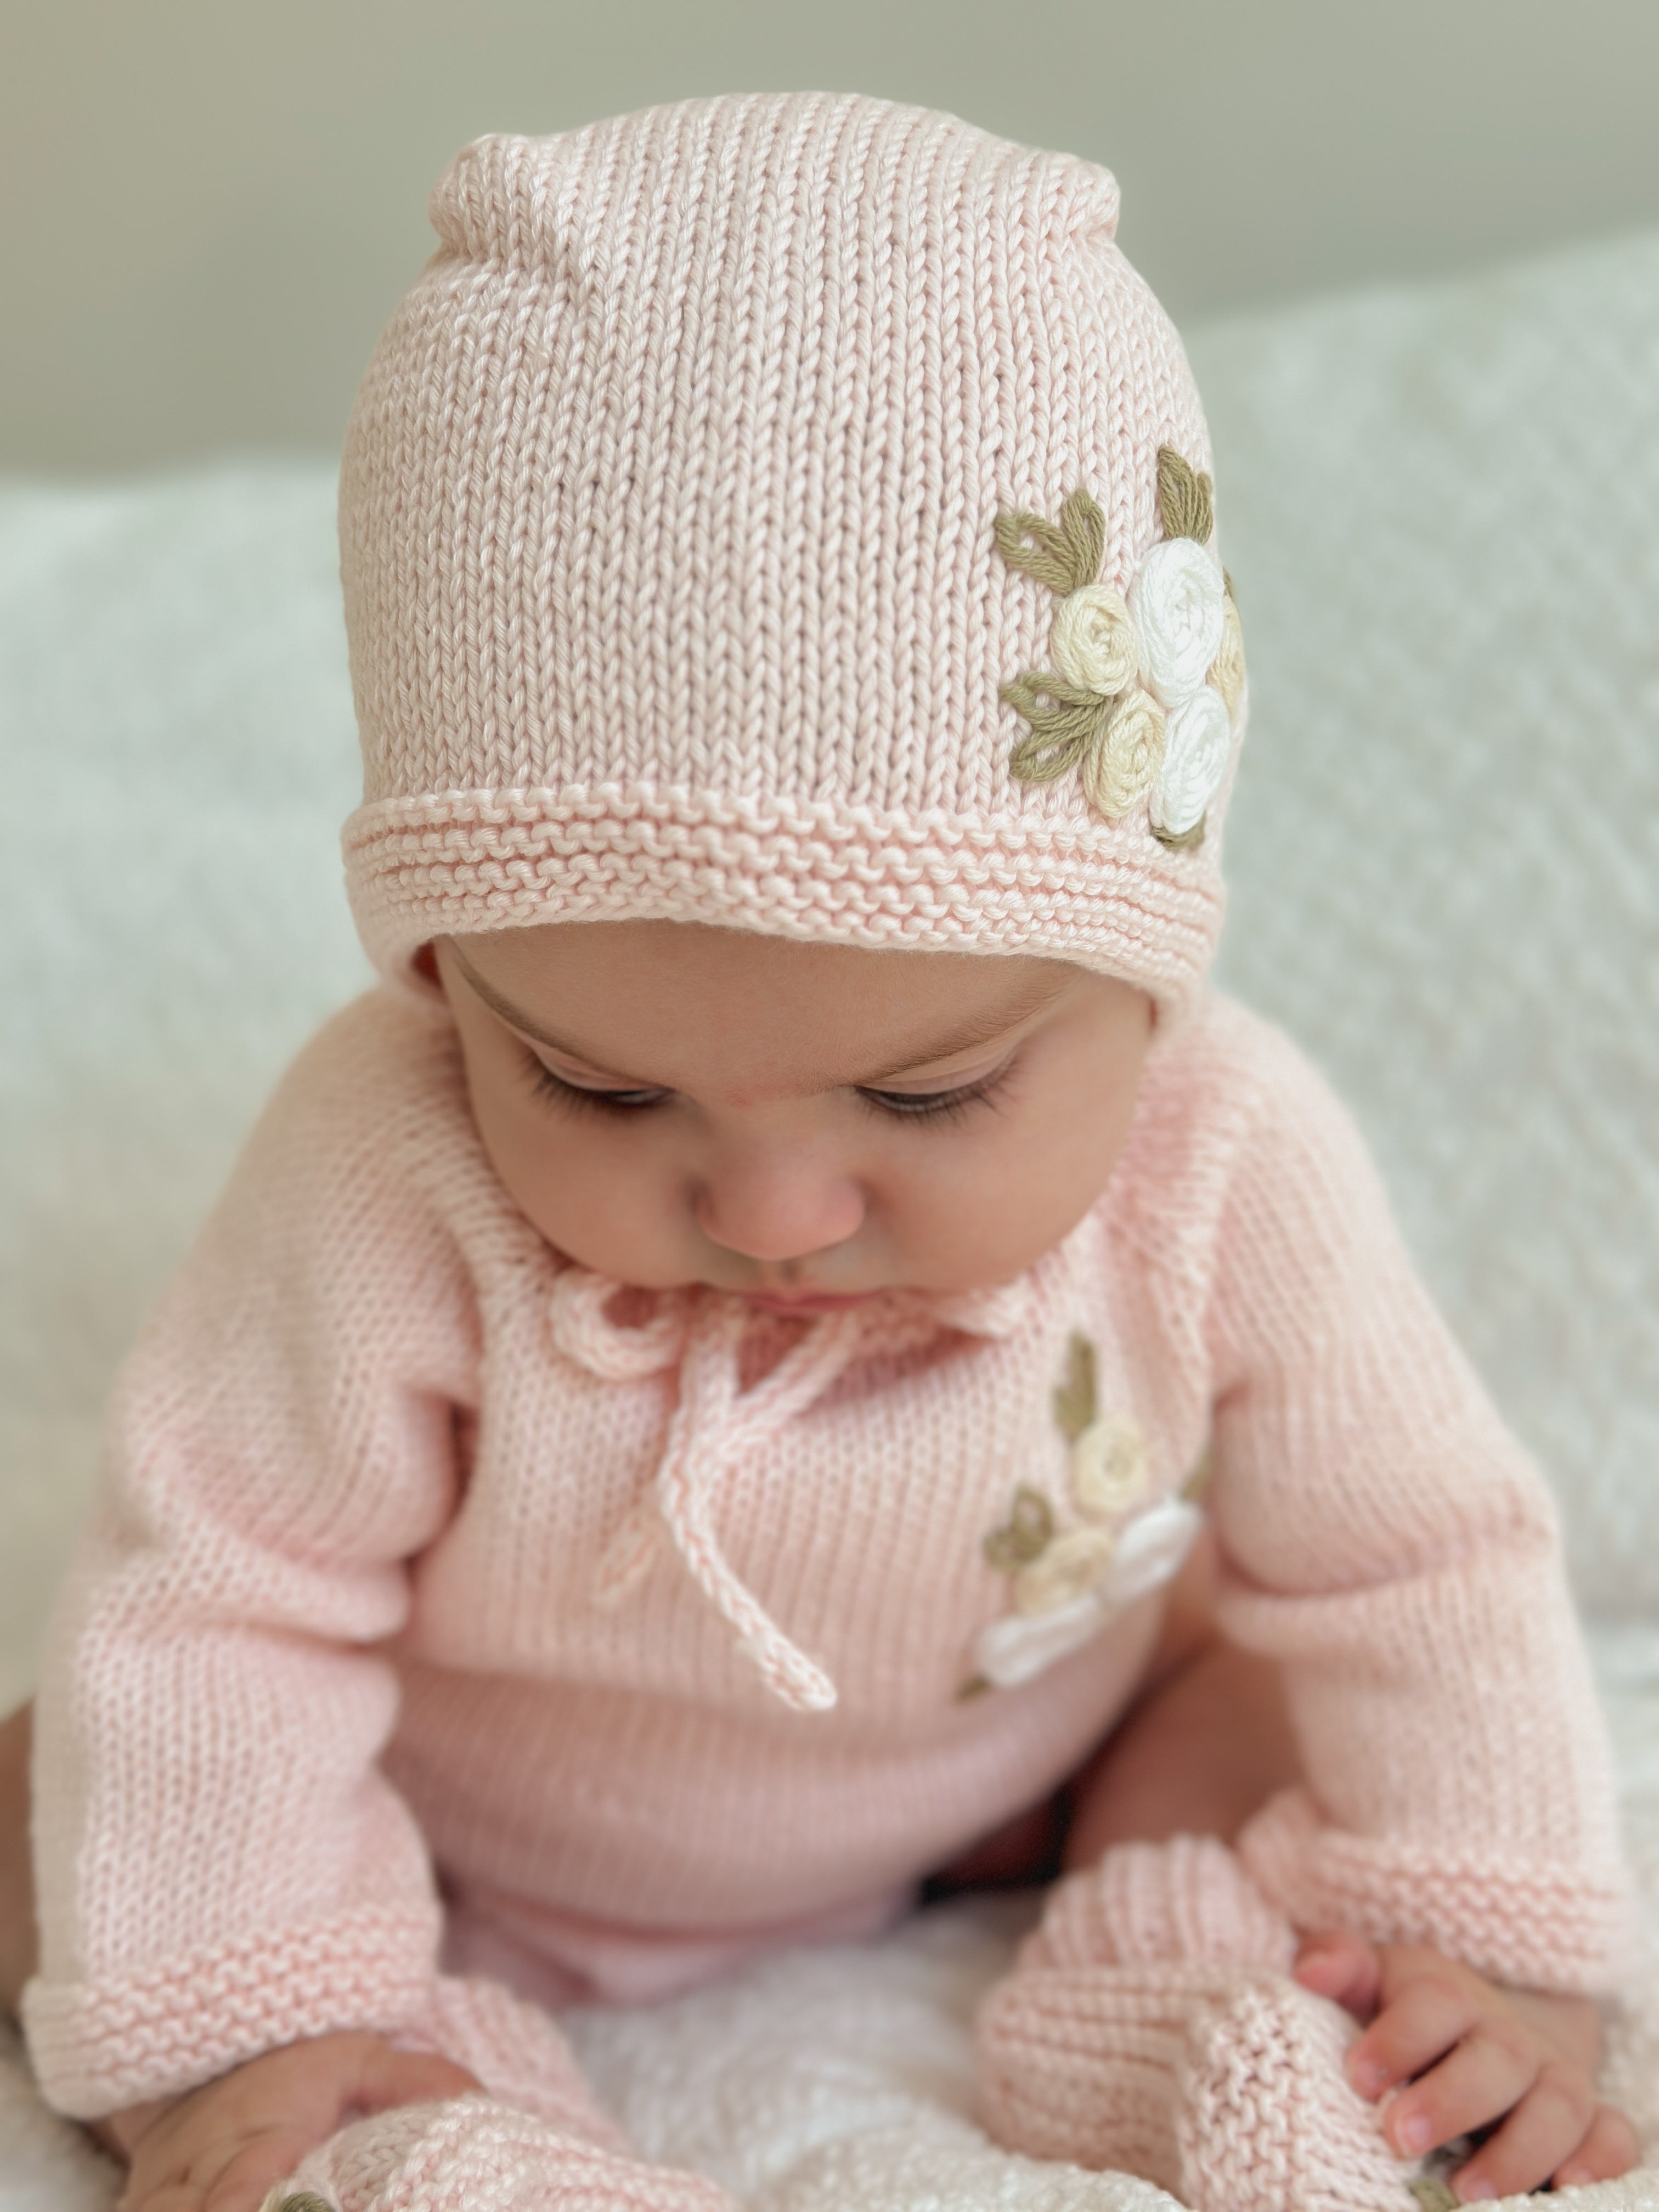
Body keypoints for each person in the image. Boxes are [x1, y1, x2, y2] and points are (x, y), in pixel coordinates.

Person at [0, 92, 1638, 2212]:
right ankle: (395, 2095)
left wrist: (1502, 1944)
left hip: (1013, 1771)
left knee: (1244, 1707)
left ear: (1136, 977)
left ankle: (1198, 2001)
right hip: (461, 1805)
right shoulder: (381, 1168)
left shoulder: (1225, 1152)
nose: (772, 1217)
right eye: (593, 1087)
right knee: (84, 1806)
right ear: (452, 980)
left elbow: (1416, 1559)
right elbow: (223, 1592)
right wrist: (230, 1997)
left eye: (932, 1094)